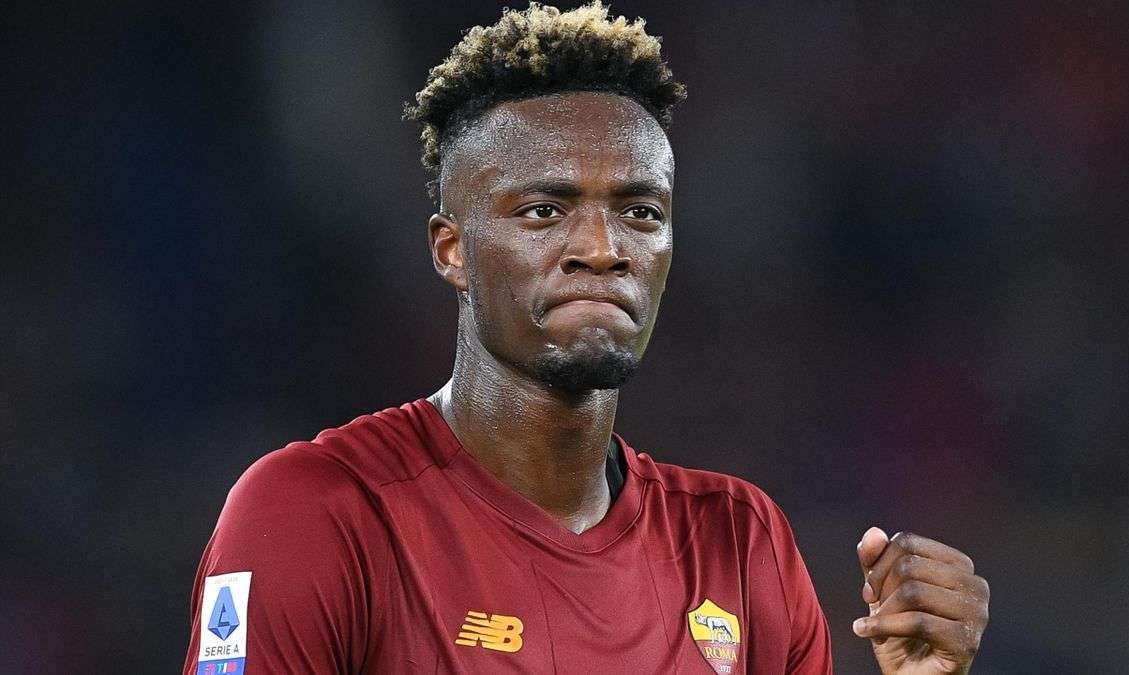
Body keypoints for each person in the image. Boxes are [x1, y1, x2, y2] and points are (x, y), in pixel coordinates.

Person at [182, 3, 989, 673]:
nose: (602, 248)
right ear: (452, 250)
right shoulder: (316, 514)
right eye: (544, 211)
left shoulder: (741, 544)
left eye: (641, 212)